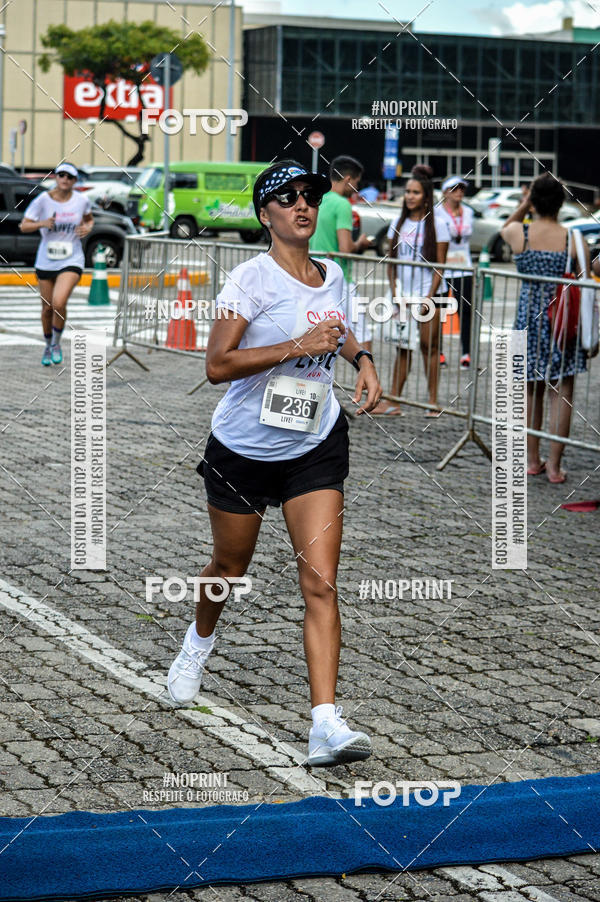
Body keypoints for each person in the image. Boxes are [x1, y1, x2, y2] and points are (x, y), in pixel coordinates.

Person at [167, 160, 383, 767]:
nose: (302, 205)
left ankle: (325, 724)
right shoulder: (250, 281)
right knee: (229, 565)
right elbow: (216, 364)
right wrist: (295, 346)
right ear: (266, 215)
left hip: (315, 444)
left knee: (319, 580)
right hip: (244, 449)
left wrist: (362, 357)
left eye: (309, 196)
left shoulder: (333, 274)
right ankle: (198, 642)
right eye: (286, 199)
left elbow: (340, 331)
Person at [501, 173, 589, 484]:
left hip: (528, 317)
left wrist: (525, 205)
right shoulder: (573, 239)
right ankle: (554, 466)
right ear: (562, 202)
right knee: (561, 393)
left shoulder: (519, 233)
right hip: (562, 319)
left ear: (533, 201)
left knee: (530, 392)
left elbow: (504, 227)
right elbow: (587, 279)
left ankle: (532, 460)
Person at [386, 165, 450, 415]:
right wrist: (394, 293)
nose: (410, 196)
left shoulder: (439, 224)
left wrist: (429, 298)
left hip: (429, 295)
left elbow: (439, 266)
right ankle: (393, 401)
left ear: (426, 196)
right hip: (403, 296)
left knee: (429, 346)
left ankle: (432, 402)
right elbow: (390, 263)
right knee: (402, 346)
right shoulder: (397, 222)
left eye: (415, 192)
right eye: (408, 192)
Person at [19, 162, 93, 365]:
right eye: (61, 175)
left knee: (59, 302)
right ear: (56, 178)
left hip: (72, 258)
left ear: (74, 181)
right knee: (47, 308)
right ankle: (47, 344)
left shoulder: (82, 200)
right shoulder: (42, 201)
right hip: (46, 259)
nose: (65, 180)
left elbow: (89, 219)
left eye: (69, 177)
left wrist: (87, 228)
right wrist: (42, 223)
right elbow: (24, 226)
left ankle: (57, 343)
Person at [437, 176, 474, 367]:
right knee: (440, 311)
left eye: (462, 189)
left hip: (463, 267)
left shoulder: (468, 212)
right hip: (444, 268)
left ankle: (466, 353)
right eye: (454, 189)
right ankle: (439, 352)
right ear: (445, 192)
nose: (459, 192)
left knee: (465, 310)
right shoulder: (437, 213)